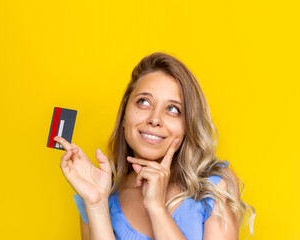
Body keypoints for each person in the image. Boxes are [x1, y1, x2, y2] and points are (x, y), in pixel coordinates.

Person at [54, 52, 255, 240]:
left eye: (173, 109)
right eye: (143, 102)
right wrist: (97, 205)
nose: (155, 119)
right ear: (124, 115)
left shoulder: (215, 186)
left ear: (187, 125)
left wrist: (156, 207)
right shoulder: (99, 198)